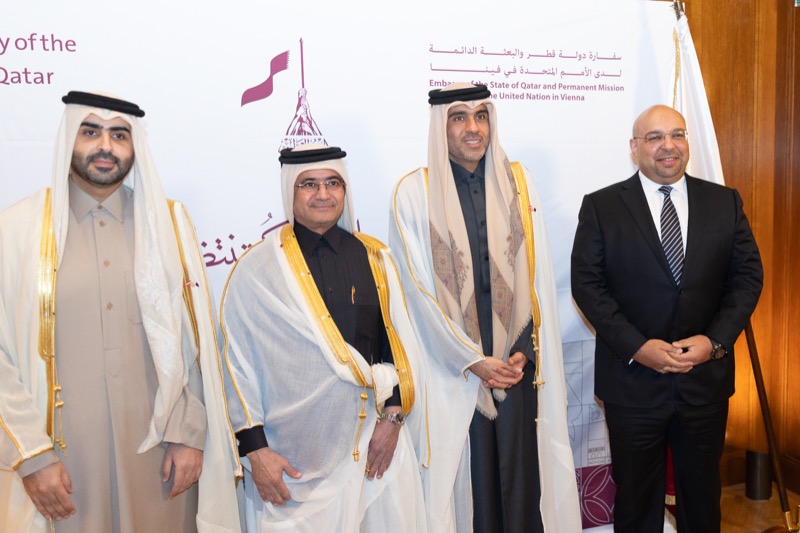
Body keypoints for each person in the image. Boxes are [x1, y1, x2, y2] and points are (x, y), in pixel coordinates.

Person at [0, 91, 241, 533]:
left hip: (159, 461)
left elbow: (195, 342)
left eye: (119, 135)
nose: (105, 146)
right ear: (69, 138)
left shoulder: (168, 225)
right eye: (91, 132)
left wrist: (189, 435)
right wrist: (30, 455)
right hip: (61, 465)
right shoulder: (16, 230)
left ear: (135, 147)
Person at [389, 82, 580, 532]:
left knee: (521, 484)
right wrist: (471, 361)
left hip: (514, 367)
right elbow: (415, 295)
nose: (473, 128)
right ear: (441, 126)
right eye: (459, 117)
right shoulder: (414, 194)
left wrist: (521, 354)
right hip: (452, 373)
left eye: (481, 116)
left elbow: (535, 279)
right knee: (469, 492)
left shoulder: (518, 182)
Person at [570, 104, 763, 532]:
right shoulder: (602, 207)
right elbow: (588, 287)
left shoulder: (724, 202)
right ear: (634, 147)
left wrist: (714, 342)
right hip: (633, 384)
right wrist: (638, 347)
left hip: (704, 382)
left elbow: (748, 278)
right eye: (655, 137)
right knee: (637, 504)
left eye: (677, 134)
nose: (668, 146)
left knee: (702, 502)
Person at [220, 144, 426, 532]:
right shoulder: (257, 270)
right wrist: (256, 453)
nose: (323, 194)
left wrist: (393, 421)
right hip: (290, 466)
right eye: (309, 184)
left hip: (373, 451)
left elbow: (397, 350)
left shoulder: (375, 258)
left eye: (333, 183)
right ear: (290, 191)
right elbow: (236, 369)